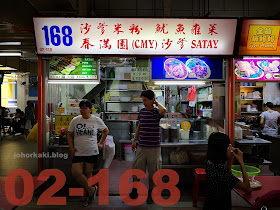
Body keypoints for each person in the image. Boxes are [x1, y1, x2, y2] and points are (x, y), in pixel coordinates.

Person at [67, 99, 109, 207]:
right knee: (76, 173)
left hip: (91, 151)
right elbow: (69, 134)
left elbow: (105, 131)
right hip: (78, 151)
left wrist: (100, 143)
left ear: (90, 109)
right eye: (81, 108)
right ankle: (91, 190)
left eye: (85, 108)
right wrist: (71, 148)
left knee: (87, 175)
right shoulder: (75, 120)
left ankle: (84, 197)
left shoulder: (96, 120)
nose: (82, 110)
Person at [130, 90, 167, 204]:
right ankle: (135, 190)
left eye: (146, 100)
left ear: (152, 100)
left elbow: (164, 110)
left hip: (154, 147)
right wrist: (134, 140)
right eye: (143, 100)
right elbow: (139, 126)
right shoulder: (142, 112)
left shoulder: (156, 112)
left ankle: (150, 192)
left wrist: (156, 103)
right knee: (137, 168)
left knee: (153, 171)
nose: (144, 102)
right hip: (142, 146)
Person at [203, 132, 252, 210]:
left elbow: (226, 176)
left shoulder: (209, 162)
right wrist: (241, 162)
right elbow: (248, 189)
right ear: (222, 150)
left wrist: (230, 159)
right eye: (228, 146)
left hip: (210, 205)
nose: (230, 148)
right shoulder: (220, 171)